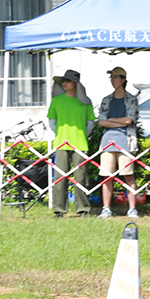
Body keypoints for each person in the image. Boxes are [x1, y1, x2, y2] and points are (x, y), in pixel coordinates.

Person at [47, 69, 96, 218]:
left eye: (68, 81)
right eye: (63, 81)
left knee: (81, 178)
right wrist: (60, 134)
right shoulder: (56, 101)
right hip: (61, 143)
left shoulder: (85, 103)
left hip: (80, 144)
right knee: (60, 177)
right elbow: (52, 122)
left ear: (76, 83)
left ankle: (83, 209)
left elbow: (90, 123)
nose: (65, 83)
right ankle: (59, 210)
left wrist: (81, 135)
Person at [97, 66, 140, 219]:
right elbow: (101, 122)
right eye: (111, 78)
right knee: (106, 176)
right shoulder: (106, 100)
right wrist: (119, 122)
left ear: (123, 80)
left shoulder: (131, 99)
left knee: (128, 175)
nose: (112, 80)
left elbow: (129, 120)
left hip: (126, 141)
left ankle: (132, 208)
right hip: (107, 141)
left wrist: (111, 121)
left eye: (115, 77)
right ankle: (106, 208)